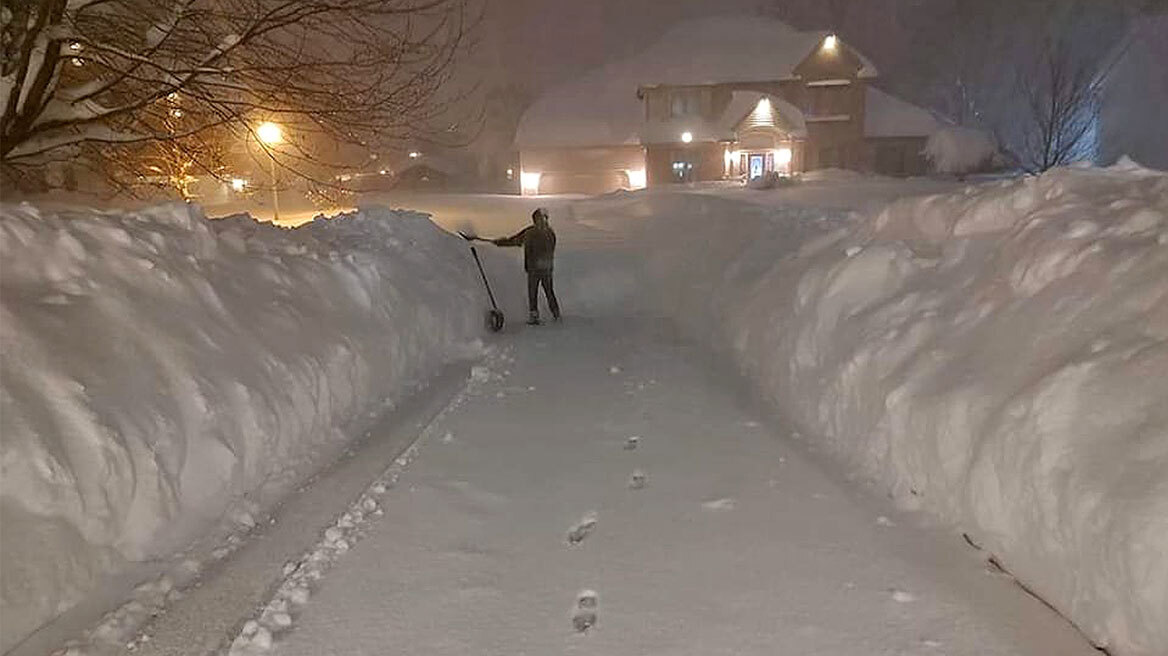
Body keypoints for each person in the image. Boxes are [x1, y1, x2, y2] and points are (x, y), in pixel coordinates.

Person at [492, 207, 560, 325]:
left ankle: (549, 314)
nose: (539, 221)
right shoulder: (537, 232)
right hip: (540, 268)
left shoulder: (543, 233)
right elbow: (516, 240)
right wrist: (501, 242)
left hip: (540, 268)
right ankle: (547, 315)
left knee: (542, 291)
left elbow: (547, 249)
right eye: (537, 219)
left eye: (540, 219)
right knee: (539, 292)